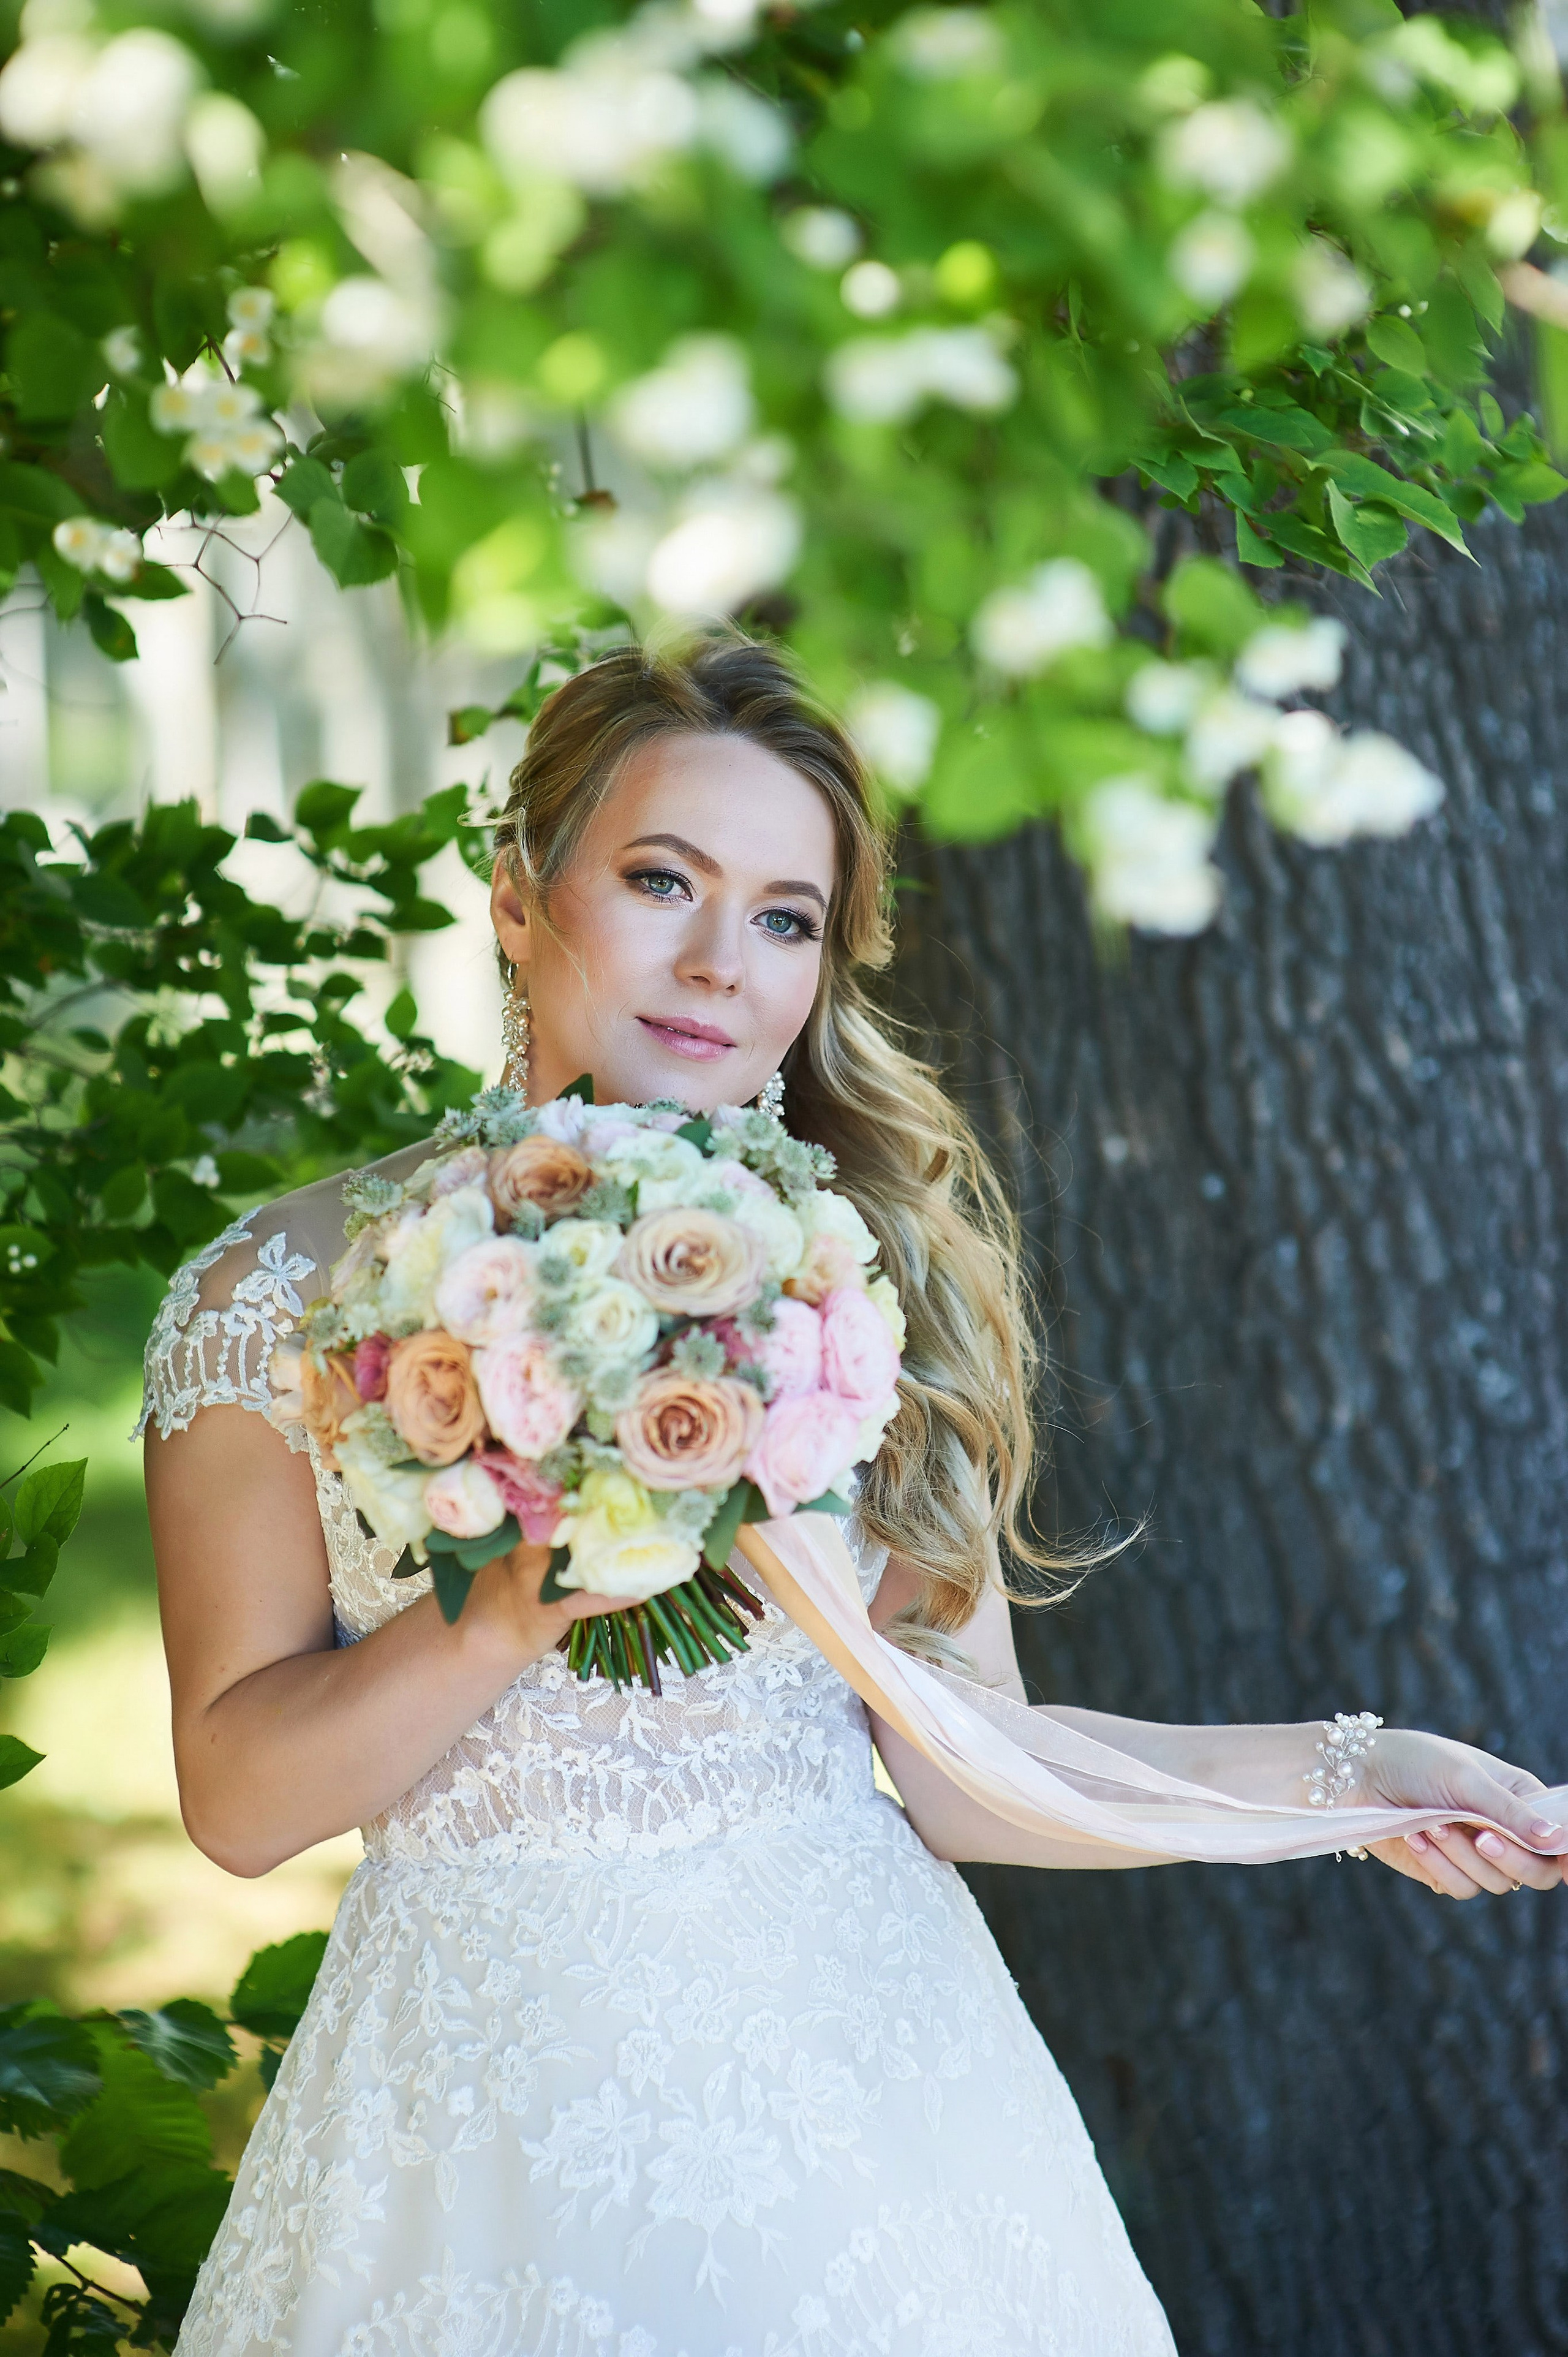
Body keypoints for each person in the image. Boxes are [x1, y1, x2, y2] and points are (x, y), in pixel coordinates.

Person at [142, 636, 1567, 2357]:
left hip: (868, 2106)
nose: (717, 965)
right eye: (661, 881)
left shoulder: (867, 1290)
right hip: (476, 2105)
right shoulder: (278, 1300)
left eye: (785, 918)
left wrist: (1354, 1779)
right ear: (520, 896)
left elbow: (976, 1768)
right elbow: (238, 1803)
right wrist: (514, 1605)